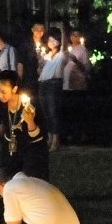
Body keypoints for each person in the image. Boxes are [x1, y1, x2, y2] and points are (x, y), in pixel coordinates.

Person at [0, 70, 49, 181]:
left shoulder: (30, 103)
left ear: (14, 89)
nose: (0, 95)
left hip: (31, 148)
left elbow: (38, 136)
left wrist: (30, 122)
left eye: (3, 91)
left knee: (31, 181)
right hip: (9, 147)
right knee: (6, 178)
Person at [37, 23, 70, 151]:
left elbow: (65, 45)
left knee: (53, 112)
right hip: (43, 83)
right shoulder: (47, 55)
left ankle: (55, 140)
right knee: (45, 113)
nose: (50, 42)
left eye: (53, 39)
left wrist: (62, 30)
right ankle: (49, 138)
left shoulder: (62, 55)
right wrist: (40, 65)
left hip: (53, 84)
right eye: (49, 40)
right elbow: (41, 72)